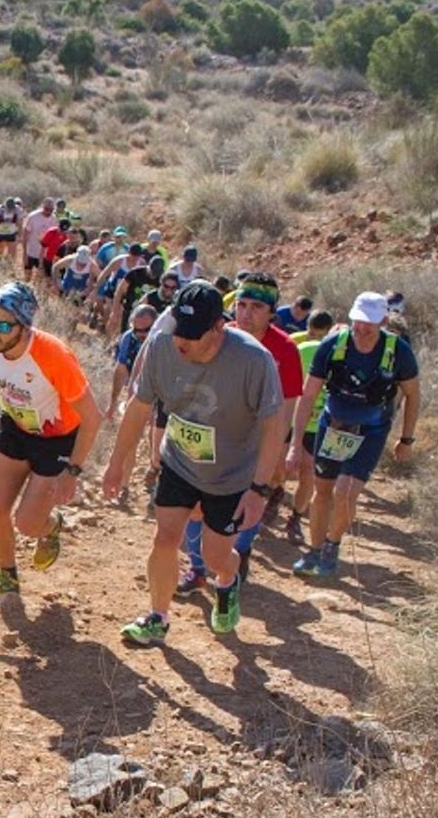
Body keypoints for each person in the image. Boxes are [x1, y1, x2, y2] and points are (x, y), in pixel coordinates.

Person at [100, 282, 285, 644]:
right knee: (166, 537)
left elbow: (274, 424)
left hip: (230, 474)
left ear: (219, 327)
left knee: (215, 556)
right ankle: (158, 616)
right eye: (177, 331)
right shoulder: (161, 346)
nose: (180, 342)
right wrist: (117, 462)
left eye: (192, 335)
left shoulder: (253, 360)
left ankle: (228, 581)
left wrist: (259, 489)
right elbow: (139, 408)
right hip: (180, 461)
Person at [0, 283, 100, 601]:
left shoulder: (53, 355)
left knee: (28, 524)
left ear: (24, 325)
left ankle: (51, 526)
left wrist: (72, 470)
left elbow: (92, 417)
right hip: (15, 429)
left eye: (3, 325)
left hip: (57, 439)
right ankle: (7, 578)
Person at [177, 272, 303, 591]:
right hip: (212, 434)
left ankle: (239, 551)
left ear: (272, 312)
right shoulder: (219, 334)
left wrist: (281, 450)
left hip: (256, 441)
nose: (246, 313)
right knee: (194, 504)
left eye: (256, 307)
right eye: (242, 304)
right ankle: (197, 567)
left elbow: (287, 405)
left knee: (245, 503)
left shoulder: (284, 350)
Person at [289, 293, 421, 578]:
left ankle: (332, 544)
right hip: (334, 426)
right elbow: (309, 394)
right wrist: (295, 443)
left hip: (371, 430)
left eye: (368, 328)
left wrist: (406, 438)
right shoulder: (333, 345)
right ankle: (314, 551)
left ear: (384, 322)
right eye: (356, 325)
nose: (360, 333)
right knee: (322, 490)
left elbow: (413, 394)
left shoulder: (398, 351)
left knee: (346, 491)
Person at [284, 310, 335, 542]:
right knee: (279, 469)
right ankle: (273, 494)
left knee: (308, 473)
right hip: (290, 419)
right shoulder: (298, 349)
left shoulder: (342, 357)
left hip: (318, 427)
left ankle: (295, 518)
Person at [106, 303, 156, 422]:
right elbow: (121, 370)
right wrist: (113, 403)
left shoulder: (165, 341)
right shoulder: (128, 338)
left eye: (146, 330)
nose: (141, 334)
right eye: (137, 330)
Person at [21, 197, 58, 285]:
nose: (48, 212)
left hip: (44, 254)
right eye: (46, 209)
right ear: (43, 207)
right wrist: (24, 253)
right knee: (27, 275)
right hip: (31, 251)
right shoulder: (33, 217)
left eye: (51, 210)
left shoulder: (53, 219)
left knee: (42, 278)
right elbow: (25, 235)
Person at [0, 196, 22, 263]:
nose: (10, 209)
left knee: (12, 253)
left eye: (11, 208)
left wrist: (20, 234)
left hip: (11, 233)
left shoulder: (17, 209)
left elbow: (20, 223)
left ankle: (10, 268)